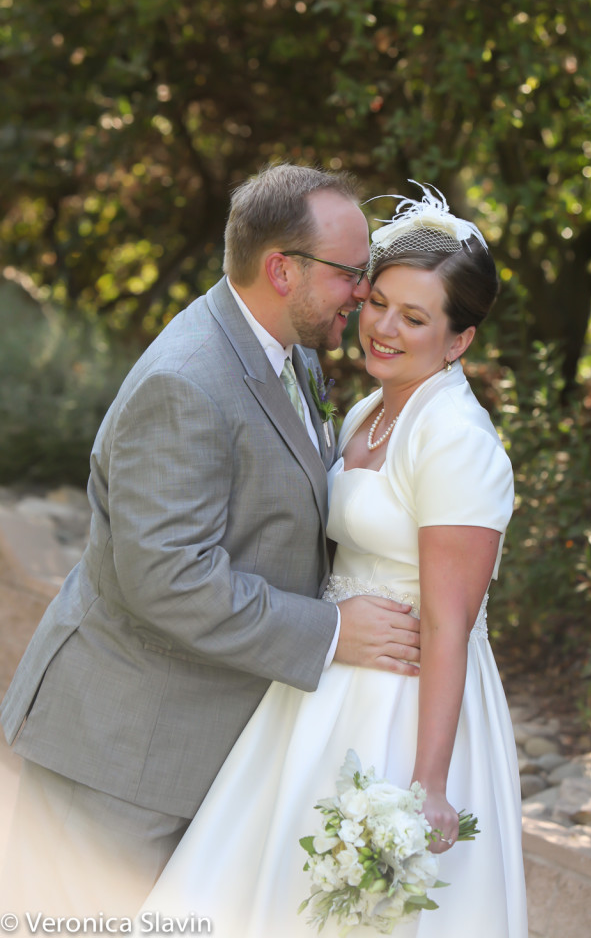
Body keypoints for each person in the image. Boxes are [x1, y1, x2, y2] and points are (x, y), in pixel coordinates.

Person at [0, 163, 422, 921]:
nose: (365, 292)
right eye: (353, 273)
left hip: (191, 744)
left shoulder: (287, 349)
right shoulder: (189, 382)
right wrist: (331, 633)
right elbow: (167, 577)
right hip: (119, 755)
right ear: (282, 269)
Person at [142, 183, 528, 937]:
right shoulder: (369, 410)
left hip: (408, 704)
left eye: (414, 318)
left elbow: (450, 626)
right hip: (323, 682)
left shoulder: (455, 440)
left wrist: (428, 784)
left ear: (459, 342)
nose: (382, 327)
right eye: (378, 299)